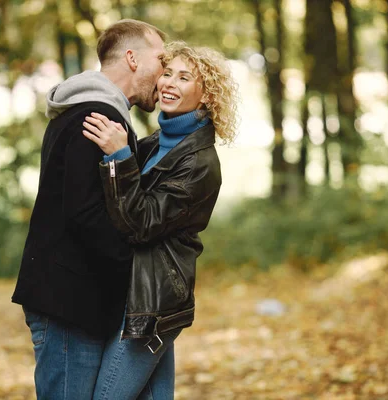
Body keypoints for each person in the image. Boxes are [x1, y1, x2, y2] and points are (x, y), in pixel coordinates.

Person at [11, 19, 166, 400]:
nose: (164, 76)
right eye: (161, 61)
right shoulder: (95, 115)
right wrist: (138, 267)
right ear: (132, 58)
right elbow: (86, 213)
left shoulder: (93, 110)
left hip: (78, 297)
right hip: (68, 301)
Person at [81, 41, 239, 399]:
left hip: (153, 301)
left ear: (207, 95)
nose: (169, 82)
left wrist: (120, 156)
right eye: (167, 73)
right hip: (129, 290)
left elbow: (142, 222)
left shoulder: (199, 163)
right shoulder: (155, 143)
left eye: (184, 78)